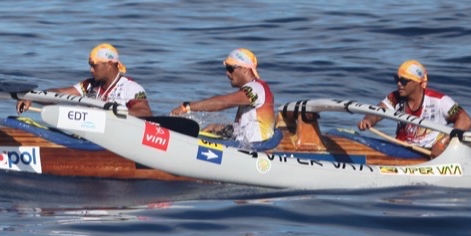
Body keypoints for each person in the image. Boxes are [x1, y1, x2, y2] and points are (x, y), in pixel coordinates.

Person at [358, 60, 471, 157]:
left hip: (429, 152)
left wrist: (442, 143)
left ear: (417, 82)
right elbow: (377, 112)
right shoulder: (395, 97)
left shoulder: (441, 101)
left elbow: (465, 121)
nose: (399, 84)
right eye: (396, 79)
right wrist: (368, 120)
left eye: (403, 81)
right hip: (402, 148)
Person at [170, 48, 277, 146]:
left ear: (245, 69)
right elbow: (247, 129)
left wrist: (187, 107)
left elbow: (224, 102)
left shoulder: (256, 88)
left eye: (230, 68)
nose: (227, 73)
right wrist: (218, 128)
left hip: (258, 148)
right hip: (248, 146)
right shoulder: (253, 90)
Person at [17, 43, 152, 117]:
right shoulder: (88, 85)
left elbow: (145, 113)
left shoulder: (131, 88)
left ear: (109, 65)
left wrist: (113, 112)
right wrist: (33, 97)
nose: (91, 70)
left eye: (94, 66)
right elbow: (59, 93)